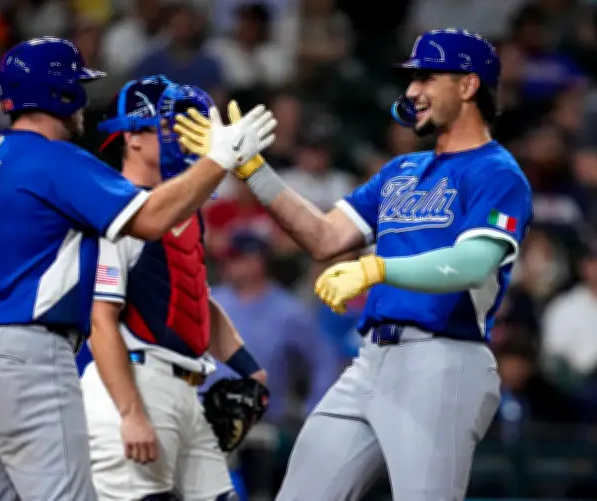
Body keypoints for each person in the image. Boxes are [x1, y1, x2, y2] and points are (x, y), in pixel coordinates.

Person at [174, 28, 533, 501]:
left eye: (426, 78)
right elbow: (324, 237)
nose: (411, 92)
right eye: (411, 80)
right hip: (371, 360)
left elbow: (474, 263)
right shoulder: (401, 170)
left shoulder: (498, 172)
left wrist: (376, 270)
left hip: (444, 360)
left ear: (468, 85)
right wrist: (251, 169)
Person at [0, 38, 277, 501]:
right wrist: (221, 159)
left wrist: (0, 299)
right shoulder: (57, 159)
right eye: (76, 86)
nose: (83, 101)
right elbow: (150, 219)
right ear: (60, 94)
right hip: (29, 352)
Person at [81, 75, 268, 501]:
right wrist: (130, 413)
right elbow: (100, 320)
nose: (185, 139)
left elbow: (194, 294)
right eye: (171, 127)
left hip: (186, 392)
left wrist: (250, 369)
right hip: (134, 384)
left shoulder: (184, 211)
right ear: (132, 137)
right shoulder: (115, 210)